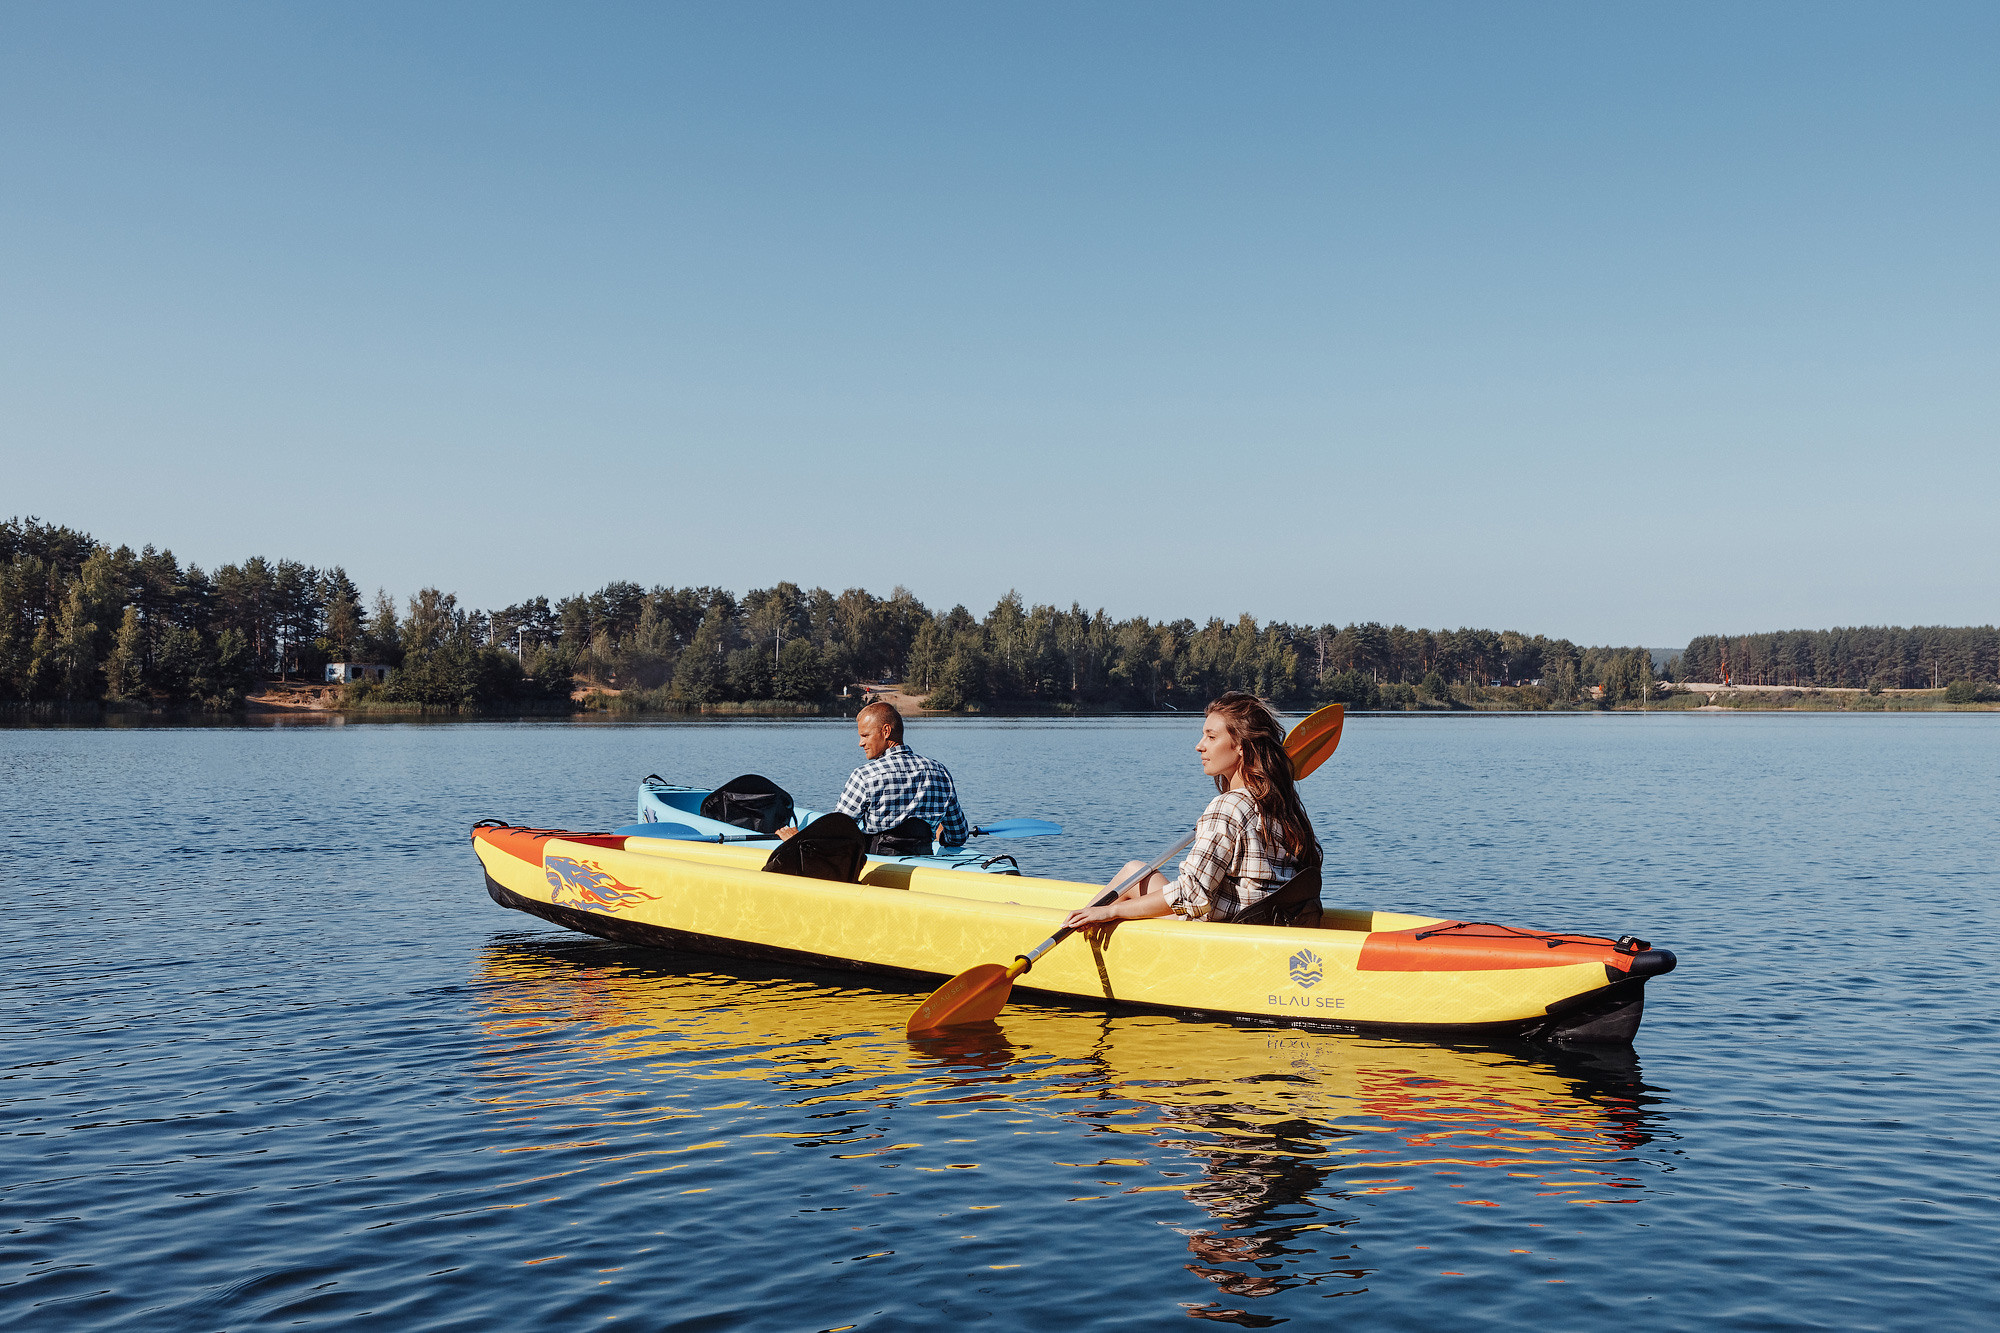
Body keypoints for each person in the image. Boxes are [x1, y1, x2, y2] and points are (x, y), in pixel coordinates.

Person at [1066, 691, 1320, 932]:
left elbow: (1191, 893)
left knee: (1133, 872)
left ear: (1241, 746)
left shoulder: (1227, 807)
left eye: (1211, 737)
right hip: (1268, 926)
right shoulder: (1283, 805)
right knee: (1135, 871)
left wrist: (1112, 912)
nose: (1199, 746)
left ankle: (1073, 925)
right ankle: (1083, 917)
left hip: (1224, 935)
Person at [777, 701, 970, 849]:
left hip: (879, 865)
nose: (860, 743)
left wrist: (798, 838)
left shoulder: (865, 776)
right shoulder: (940, 772)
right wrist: (937, 832)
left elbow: (833, 835)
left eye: (865, 735)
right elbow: (958, 836)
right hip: (923, 860)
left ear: (886, 731)